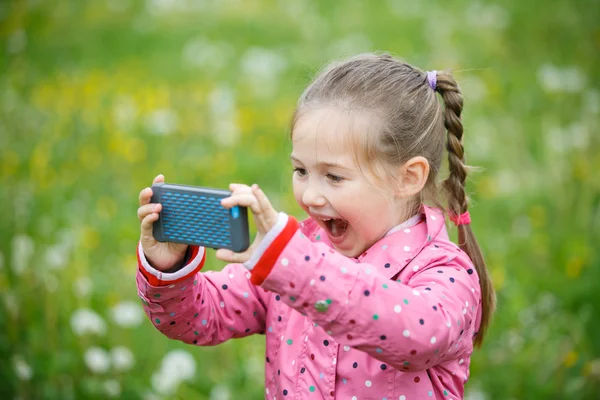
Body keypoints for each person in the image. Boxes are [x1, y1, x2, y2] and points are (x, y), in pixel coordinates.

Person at [135, 53, 495, 399]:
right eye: (301, 171)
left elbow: (417, 336)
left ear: (408, 178)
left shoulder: (444, 270)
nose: (309, 195)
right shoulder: (296, 251)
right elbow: (200, 318)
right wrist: (170, 269)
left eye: (334, 177)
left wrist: (288, 261)